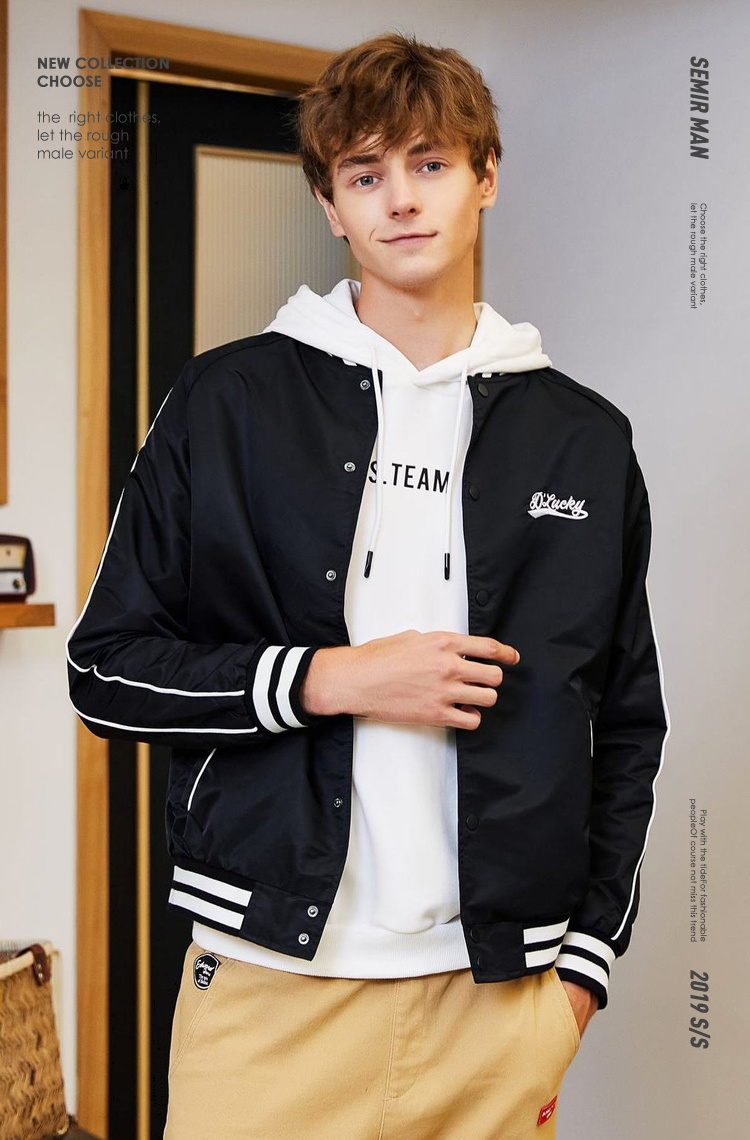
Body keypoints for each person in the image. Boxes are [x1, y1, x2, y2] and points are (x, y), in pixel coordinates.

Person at [66, 30, 670, 1140]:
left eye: (431, 163)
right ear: (330, 205)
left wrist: (584, 968)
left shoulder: (584, 438)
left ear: (487, 177)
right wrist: (331, 680)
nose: (401, 198)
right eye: (364, 173)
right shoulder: (224, 403)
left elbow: (628, 718)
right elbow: (104, 671)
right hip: (268, 996)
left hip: (498, 1002)